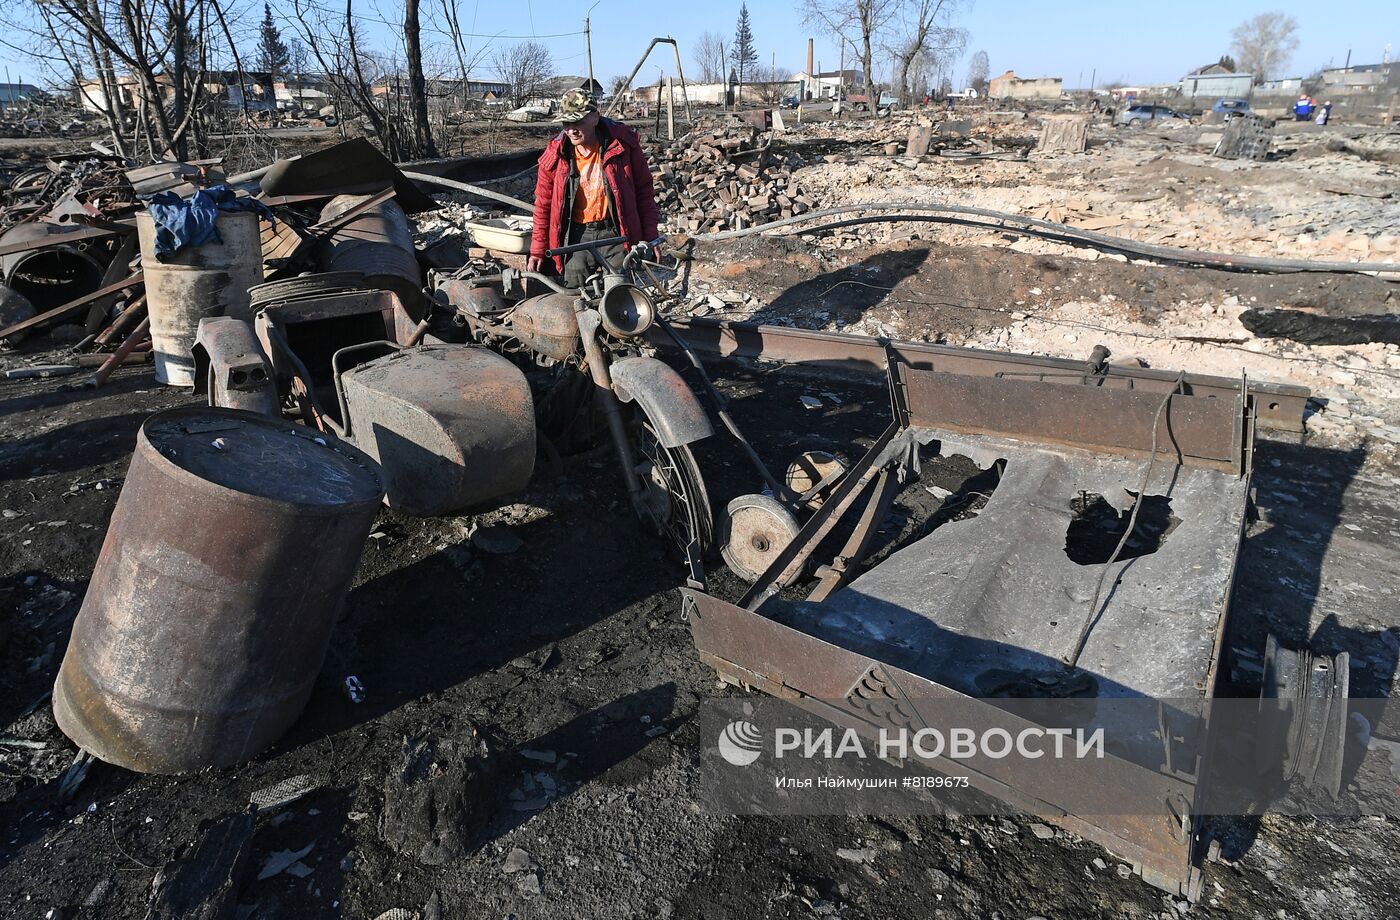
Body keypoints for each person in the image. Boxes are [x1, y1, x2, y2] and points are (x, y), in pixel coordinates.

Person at [528, 89, 662, 288]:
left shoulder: (623, 145)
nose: (571, 130)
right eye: (566, 123)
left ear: (595, 118)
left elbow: (644, 192)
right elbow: (543, 204)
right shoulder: (556, 154)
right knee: (575, 293)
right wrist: (538, 248)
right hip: (576, 235)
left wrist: (650, 237)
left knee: (621, 295)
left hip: (616, 232)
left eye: (578, 122)